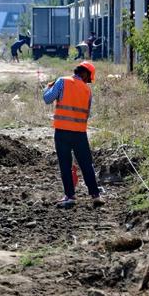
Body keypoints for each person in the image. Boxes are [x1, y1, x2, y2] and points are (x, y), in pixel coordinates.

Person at [43, 61, 103, 208]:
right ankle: (95, 196)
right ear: (85, 74)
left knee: (65, 165)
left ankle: (70, 197)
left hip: (62, 131)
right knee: (86, 165)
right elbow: (87, 113)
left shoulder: (62, 81)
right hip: (80, 133)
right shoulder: (88, 91)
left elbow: (47, 99)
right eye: (88, 79)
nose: (88, 82)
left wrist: (48, 87)